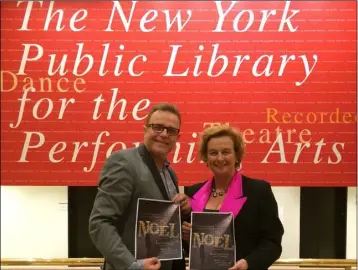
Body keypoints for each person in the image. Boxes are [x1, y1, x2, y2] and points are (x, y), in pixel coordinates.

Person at [89, 103, 191, 270]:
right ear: (145, 130)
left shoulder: (170, 173)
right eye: (157, 127)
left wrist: (183, 210)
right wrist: (132, 265)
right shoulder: (124, 162)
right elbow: (100, 223)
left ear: (177, 138)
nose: (164, 134)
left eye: (171, 130)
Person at [183, 125, 284, 270]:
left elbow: (272, 243)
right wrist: (187, 238)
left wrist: (249, 263)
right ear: (206, 157)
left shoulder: (259, 191)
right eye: (213, 152)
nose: (219, 158)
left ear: (237, 155)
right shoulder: (193, 192)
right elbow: (191, 248)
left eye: (226, 152)